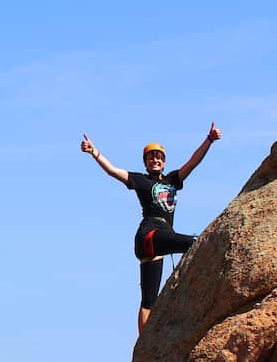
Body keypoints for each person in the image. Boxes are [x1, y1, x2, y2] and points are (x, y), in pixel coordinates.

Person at [80, 123, 222, 333]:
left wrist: (209, 140)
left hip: (156, 247)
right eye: (150, 157)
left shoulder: (173, 180)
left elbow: (193, 162)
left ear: (164, 162)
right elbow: (113, 171)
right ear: (146, 163)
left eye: (159, 157)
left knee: (149, 301)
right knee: (195, 242)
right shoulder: (141, 180)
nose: (155, 160)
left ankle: (143, 344)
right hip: (149, 235)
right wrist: (94, 152)